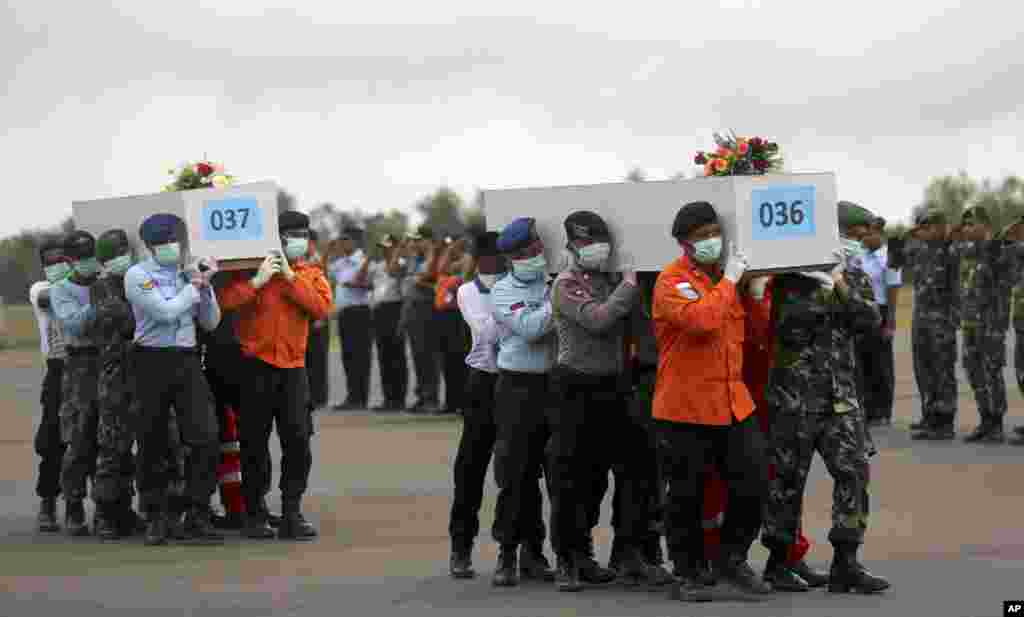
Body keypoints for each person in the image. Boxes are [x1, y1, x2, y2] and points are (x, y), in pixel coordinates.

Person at [761, 204, 890, 594]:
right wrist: (817, 286)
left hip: (842, 396)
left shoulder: (851, 275)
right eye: (852, 231)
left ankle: (846, 561)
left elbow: (869, 320)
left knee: (853, 472)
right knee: (787, 479)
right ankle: (779, 561)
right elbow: (785, 326)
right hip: (795, 396)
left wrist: (839, 285)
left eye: (861, 232)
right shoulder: (790, 279)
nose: (856, 240)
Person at [651, 201, 772, 598]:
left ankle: (731, 557)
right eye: (702, 236)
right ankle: (686, 571)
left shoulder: (726, 281)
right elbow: (702, 321)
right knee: (686, 494)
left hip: (733, 401)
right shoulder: (671, 281)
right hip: (686, 405)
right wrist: (731, 282)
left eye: (714, 233)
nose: (711, 241)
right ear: (684, 243)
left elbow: (753, 334)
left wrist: (755, 294)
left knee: (754, 481)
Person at [547, 210, 652, 592]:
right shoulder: (566, 284)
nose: (596, 249)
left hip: (614, 385)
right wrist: (629, 283)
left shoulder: (609, 280)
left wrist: (627, 284)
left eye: (600, 241)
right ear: (572, 247)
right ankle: (568, 559)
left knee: (628, 471)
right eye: (587, 243)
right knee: (573, 478)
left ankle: (618, 553)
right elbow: (599, 319)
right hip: (575, 386)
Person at [218, 210, 332, 540]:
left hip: (293, 369)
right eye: (289, 235)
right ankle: (255, 512)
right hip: (255, 367)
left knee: (298, 441)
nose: (297, 241)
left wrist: (289, 278)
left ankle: (292, 511)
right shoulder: (253, 271)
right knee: (253, 443)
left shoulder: (310, 273)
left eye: (302, 235)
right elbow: (226, 301)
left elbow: (321, 308)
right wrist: (258, 281)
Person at [448, 231, 549, 580]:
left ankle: (531, 550)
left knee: (520, 468)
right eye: (487, 256)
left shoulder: (516, 286)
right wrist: (510, 306)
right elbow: (487, 332)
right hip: (483, 381)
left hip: (515, 380)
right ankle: (460, 547)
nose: (492, 262)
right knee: (471, 467)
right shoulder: (468, 291)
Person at [125, 213, 223, 546]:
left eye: (174, 240)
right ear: (150, 247)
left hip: (186, 359)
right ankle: (155, 515)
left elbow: (209, 323)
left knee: (205, 436)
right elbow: (165, 312)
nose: (171, 247)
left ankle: (197, 511)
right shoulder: (137, 275)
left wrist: (206, 288)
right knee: (152, 439)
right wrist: (194, 286)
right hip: (151, 360)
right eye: (163, 242)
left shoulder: (188, 274)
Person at [489, 218, 558, 587]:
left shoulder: (556, 283)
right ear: (511, 259)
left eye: (534, 249)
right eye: (522, 253)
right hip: (518, 388)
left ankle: (538, 553)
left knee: (558, 476)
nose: (531, 256)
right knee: (517, 475)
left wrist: (557, 292)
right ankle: (508, 553)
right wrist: (560, 300)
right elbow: (531, 329)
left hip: (555, 385)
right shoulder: (502, 291)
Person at [90, 229, 145, 540]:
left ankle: (129, 511)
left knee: (150, 445)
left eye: (124, 251)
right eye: (114, 254)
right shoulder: (102, 289)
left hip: (143, 373)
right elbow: (128, 321)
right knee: (113, 449)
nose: (121, 258)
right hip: (115, 379)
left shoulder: (136, 280)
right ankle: (107, 514)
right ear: (104, 261)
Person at [50, 230, 103, 536]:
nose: (87, 262)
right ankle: (73, 504)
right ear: (70, 260)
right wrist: (99, 301)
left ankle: (109, 506)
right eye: (81, 257)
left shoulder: (105, 282)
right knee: (80, 437)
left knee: (109, 436)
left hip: (108, 359)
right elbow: (73, 324)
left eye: (90, 255)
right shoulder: (61, 289)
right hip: (80, 363)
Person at [905, 210, 961, 440]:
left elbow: (958, 287)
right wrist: (911, 233)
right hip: (921, 320)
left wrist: (954, 319)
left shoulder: (951, 250)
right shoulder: (920, 251)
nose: (922, 232)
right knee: (923, 370)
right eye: (921, 228)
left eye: (927, 227)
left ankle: (944, 422)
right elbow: (897, 256)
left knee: (942, 371)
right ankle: (929, 416)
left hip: (941, 321)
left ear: (940, 227)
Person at [28, 234, 71, 532]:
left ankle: (79, 506)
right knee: (52, 441)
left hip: (88, 365)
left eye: (61, 260)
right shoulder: (40, 289)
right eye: (50, 262)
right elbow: (50, 298)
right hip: (57, 369)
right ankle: (47, 502)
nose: (56, 266)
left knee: (87, 441)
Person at [957, 206, 1009, 443]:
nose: (966, 229)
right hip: (969, 324)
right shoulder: (969, 253)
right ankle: (985, 419)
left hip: (990, 325)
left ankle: (996, 422)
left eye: (971, 224)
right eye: (964, 225)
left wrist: (998, 327)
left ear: (985, 225)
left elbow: (1004, 286)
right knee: (974, 371)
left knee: (992, 373)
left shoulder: (998, 251)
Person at [859, 216, 902, 427]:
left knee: (882, 362)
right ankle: (868, 408)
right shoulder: (862, 255)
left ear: (879, 234)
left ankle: (883, 410)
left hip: (883, 309)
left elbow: (894, 288)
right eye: (864, 234)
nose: (865, 238)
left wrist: (891, 322)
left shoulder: (893, 253)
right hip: (865, 311)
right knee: (865, 360)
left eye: (869, 234)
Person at [329, 225, 373, 410]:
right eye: (342, 240)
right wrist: (327, 252)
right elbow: (323, 273)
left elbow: (370, 284)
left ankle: (360, 398)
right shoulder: (340, 263)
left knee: (360, 356)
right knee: (347, 356)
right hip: (344, 313)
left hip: (360, 312)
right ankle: (352, 396)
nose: (342, 243)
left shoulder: (363, 261)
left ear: (356, 241)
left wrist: (356, 285)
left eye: (346, 240)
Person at [400, 226, 442, 413]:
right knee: (417, 355)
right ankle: (422, 396)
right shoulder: (415, 259)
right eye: (414, 241)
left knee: (428, 355)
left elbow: (428, 277)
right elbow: (404, 275)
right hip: (412, 308)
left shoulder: (435, 257)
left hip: (427, 309)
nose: (415, 244)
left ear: (429, 240)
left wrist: (432, 250)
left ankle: (431, 398)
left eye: (419, 240)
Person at [368, 234, 408, 411]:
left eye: (388, 247)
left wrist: (398, 251)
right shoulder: (378, 266)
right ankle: (388, 398)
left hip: (395, 309)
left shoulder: (400, 264)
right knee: (384, 356)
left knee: (396, 355)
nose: (384, 250)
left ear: (395, 247)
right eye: (383, 247)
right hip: (379, 310)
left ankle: (398, 399)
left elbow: (394, 270)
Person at [434, 238, 473, 415]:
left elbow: (465, 275)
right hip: (444, 317)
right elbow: (441, 269)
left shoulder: (466, 259)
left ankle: (464, 403)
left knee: (460, 360)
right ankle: (451, 401)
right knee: (447, 360)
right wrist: (448, 251)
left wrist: (453, 250)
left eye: (452, 244)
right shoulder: (449, 263)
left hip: (459, 315)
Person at [305, 229, 331, 411]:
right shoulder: (302, 261)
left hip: (318, 315)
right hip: (306, 315)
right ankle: (310, 396)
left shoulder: (316, 260)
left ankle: (319, 397)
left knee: (318, 359)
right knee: (306, 358)